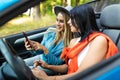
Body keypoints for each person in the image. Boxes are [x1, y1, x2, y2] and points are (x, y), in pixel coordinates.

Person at [32, 4, 118, 80]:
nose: (68, 22)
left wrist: (47, 78)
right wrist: (47, 66)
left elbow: (81, 74)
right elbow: (67, 67)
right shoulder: (74, 41)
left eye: (72, 18)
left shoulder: (99, 40)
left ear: (82, 20)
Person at [24, 5, 73, 75]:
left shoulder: (70, 42)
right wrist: (33, 47)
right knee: (18, 64)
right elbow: (40, 52)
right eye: (57, 20)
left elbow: (57, 63)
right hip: (40, 59)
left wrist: (45, 50)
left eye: (61, 21)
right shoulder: (50, 32)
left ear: (68, 23)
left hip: (51, 68)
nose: (57, 24)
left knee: (24, 72)